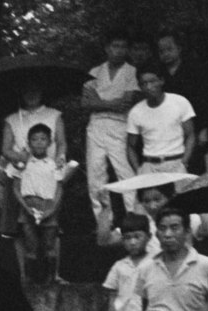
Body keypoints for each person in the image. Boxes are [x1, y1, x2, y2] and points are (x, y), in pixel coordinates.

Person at [82, 28, 142, 229]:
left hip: (119, 126)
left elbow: (126, 103)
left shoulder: (131, 72)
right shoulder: (94, 72)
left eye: (123, 47)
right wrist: (110, 104)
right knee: (95, 177)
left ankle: (135, 221)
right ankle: (104, 225)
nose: (119, 50)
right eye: (115, 46)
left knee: (125, 173)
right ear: (107, 48)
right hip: (96, 126)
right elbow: (85, 103)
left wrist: (100, 101)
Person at [0, 82, 66, 239]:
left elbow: (61, 142)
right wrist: (19, 157)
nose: (31, 94)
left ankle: (49, 225)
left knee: (50, 222)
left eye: (35, 90)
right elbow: (6, 149)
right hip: (22, 171)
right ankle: (16, 225)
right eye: (27, 90)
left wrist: (60, 158)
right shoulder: (12, 119)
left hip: (47, 170)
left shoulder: (54, 115)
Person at [157, 29, 208, 170]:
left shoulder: (194, 70)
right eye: (162, 51)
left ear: (179, 49)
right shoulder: (159, 74)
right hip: (171, 130)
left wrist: (204, 129)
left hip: (196, 125)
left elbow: (204, 100)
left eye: (169, 49)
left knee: (194, 166)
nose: (166, 54)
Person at [13, 123, 68, 283]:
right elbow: (16, 188)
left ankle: (50, 280)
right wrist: (26, 208)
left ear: (50, 142)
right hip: (28, 205)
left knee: (50, 247)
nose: (38, 142)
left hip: (48, 206)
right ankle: (29, 281)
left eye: (43, 139)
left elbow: (59, 189)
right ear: (28, 142)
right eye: (34, 139)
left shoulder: (54, 164)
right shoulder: (22, 163)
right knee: (31, 247)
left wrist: (52, 209)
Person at [127, 68, 197, 177]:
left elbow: (191, 135)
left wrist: (184, 162)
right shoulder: (135, 112)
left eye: (152, 81)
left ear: (161, 81)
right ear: (140, 87)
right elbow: (130, 146)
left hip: (176, 163)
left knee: (180, 194)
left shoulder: (179, 102)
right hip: (149, 166)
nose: (149, 87)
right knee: (150, 195)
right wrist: (139, 170)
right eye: (144, 83)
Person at [103, 213, 154, 311]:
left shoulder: (155, 263)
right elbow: (112, 298)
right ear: (122, 240)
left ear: (149, 237)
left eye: (137, 236)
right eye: (127, 238)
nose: (132, 242)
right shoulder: (119, 266)